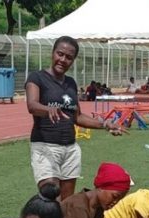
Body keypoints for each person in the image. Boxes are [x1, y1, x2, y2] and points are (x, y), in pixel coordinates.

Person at [25, 35, 125, 201]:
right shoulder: (37, 78)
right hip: (46, 146)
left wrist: (106, 124)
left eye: (69, 57)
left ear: (73, 61)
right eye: (60, 54)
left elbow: (77, 117)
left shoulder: (71, 83)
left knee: (66, 203)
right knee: (50, 197)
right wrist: (48, 109)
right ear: (53, 53)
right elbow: (32, 105)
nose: (63, 60)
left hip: (70, 149)